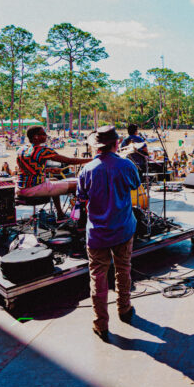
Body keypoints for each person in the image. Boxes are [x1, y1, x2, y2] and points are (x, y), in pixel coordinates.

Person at [77, 125, 140, 340]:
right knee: (123, 269)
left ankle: (100, 323)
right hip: (123, 228)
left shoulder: (86, 170)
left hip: (97, 233)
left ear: (96, 146)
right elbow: (135, 185)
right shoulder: (126, 165)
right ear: (116, 144)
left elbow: (81, 197)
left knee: (97, 277)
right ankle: (124, 309)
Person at [16, 125, 91, 219]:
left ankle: (60, 214)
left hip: (21, 188)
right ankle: (81, 218)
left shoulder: (21, 149)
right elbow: (69, 161)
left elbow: (27, 169)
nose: (46, 136)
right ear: (35, 136)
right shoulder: (43, 151)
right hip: (33, 188)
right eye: (43, 134)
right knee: (78, 185)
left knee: (54, 179)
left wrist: (46, 170)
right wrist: (92, 159)